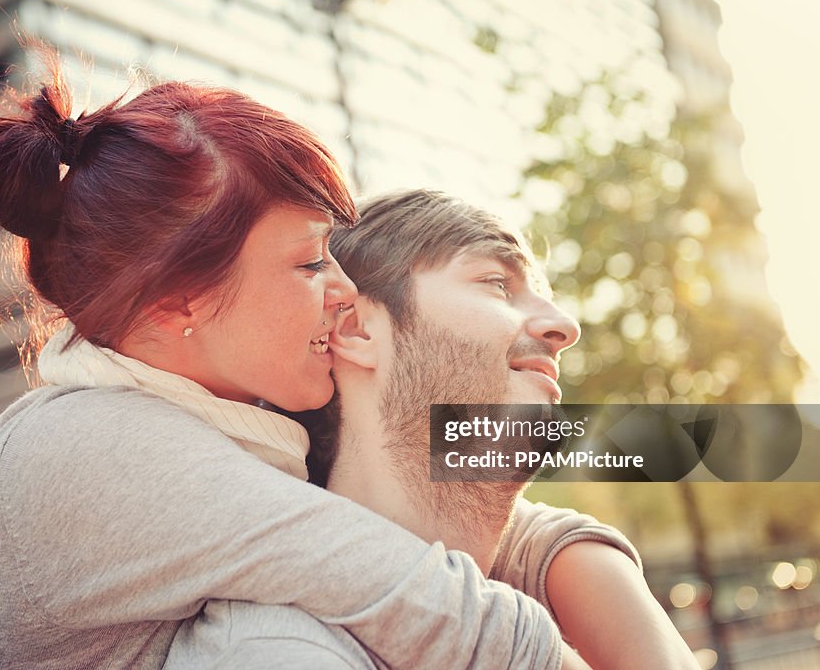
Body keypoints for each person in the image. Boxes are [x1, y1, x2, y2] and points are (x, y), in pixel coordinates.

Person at [0, 64, 664, 670]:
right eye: (311, 260)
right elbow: (417, 593)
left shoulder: (225, 423)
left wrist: (570, 550)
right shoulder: (87, 447)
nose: (344, 292)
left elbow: (397, 520)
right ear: (176, 300)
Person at [167, 190, 700, 670]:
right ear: (354, 330)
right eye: (497, 283)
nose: (565, 327)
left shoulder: (553, 579)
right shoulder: (280, 654)